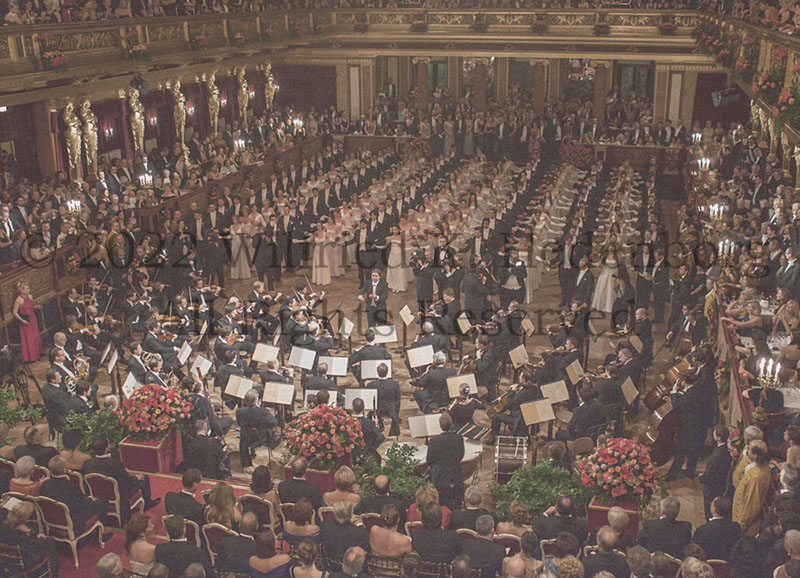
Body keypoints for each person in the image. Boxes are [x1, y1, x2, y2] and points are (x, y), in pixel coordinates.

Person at [83, 436, 160, 523]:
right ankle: (147, 503)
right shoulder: (115, 465)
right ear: (106, 448)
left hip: (98, 493)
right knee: (144, 478)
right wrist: (135, 478)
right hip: (118, 493)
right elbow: (126, 481)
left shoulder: (87, 464)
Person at [40, 456, 112, 542]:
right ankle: (98, 537)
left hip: (53, 520)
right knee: (102, 502)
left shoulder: (44, 485)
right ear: (65, 470)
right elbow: (82, 506)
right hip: (73, 521)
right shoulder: (72, 487)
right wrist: (89, 500)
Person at [0, 500, 59, 576]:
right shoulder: (23, 537)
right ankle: (53, 574)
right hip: (25, 562)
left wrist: (31, 533)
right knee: (50, 542)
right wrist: (41, 539)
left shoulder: (4, 528)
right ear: (25, 519)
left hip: (6, 561)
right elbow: (32, 549)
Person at [733, 439, 773, 536]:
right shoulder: (757, 466)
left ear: (756, 455)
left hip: (745, 523)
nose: (747, 450)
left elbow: (752, 505)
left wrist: (741, 525)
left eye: (749, 449)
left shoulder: (757, 476)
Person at [426, 412, 465, 511]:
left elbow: (429, 460)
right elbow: (461, 455)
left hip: (440, 476)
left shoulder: (434, 441)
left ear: (440, 426)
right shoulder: (459, 439)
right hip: (456, 474)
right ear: (451, 425)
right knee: (456, 503)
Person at [236, 389, 278, 469]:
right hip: (261, 438)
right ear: (256, 401)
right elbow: (274, 422)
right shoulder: (264, 412)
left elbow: (239, 423)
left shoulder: (240, 411)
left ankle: (245, 463)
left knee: (243, 431)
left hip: (246, 439)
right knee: (271, 429)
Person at [691, 496, 741, 562]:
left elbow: (695, 554)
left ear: (714, 509)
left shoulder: (702, 530)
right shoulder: (736, 527)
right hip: (729, 568)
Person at [700, 425, 732, 520]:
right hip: (720, 484)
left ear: (718, 438)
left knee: (710, 509)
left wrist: (701, 478)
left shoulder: (716, 456)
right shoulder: (724, 449)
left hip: (712, 487)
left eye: (714, 433)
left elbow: (711, 473)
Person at [13, 282, 42, 362]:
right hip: (25, 321)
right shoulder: (18, 300)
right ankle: (31, 358)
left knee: (36, 336)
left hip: (33, 318)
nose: (28, 290)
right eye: (26, 289)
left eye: (28, 288)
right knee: (29, 339)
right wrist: (22, 320)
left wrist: (37, 307)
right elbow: (15, 312)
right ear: (21, 290)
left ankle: (38, 354)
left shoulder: (30, 296)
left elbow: (31, 307)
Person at [351, 397, 384, 466]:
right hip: (367, 452)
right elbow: (380, 437)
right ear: (364, 408)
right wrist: (372, 448)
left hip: (351, 453)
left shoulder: (347, 422)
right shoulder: (369, 423)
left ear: (352, 408)